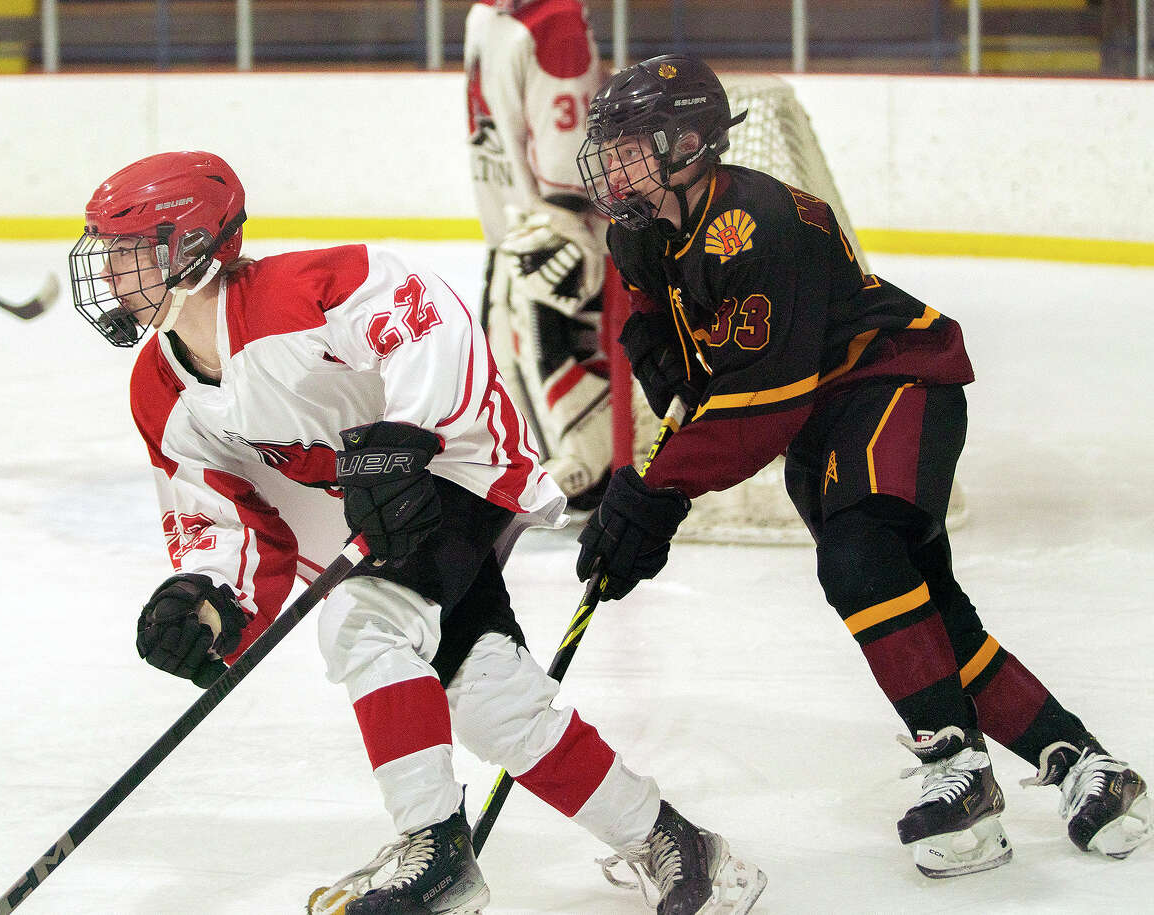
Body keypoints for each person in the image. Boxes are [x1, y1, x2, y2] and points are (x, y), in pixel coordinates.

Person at [68, 150, 767, 915]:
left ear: (192, 248)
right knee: (493, 700)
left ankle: (435, 851)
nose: (108, 272)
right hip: (374, 517)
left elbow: (424, 309)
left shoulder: (295, 296)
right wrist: (205, 601)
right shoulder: (158, 388)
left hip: (453, 468)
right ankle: (677, 841)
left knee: (362, 622)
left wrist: (403, 435)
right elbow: (221, 516)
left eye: (128, 250)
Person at [574, 54, 1153, 879]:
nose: (614, 162)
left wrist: (654, 496)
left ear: (691, 140)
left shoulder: (762, 223)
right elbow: (660, 331)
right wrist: (669, 374)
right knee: (925, 611)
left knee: (860, 559)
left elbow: (760, 411)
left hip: (891, 384)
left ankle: (959, 769)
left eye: (632, 144)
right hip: (825, 414)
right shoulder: (638, 231)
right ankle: (1088, 764)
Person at [464, 0, 615, 508]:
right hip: (513, 224)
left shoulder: (556, 22)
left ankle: (592, 466)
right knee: (501, 354)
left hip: (551, 226)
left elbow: (572, 168)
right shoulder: (489, 18)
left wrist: (560, 227)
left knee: (539, 332)